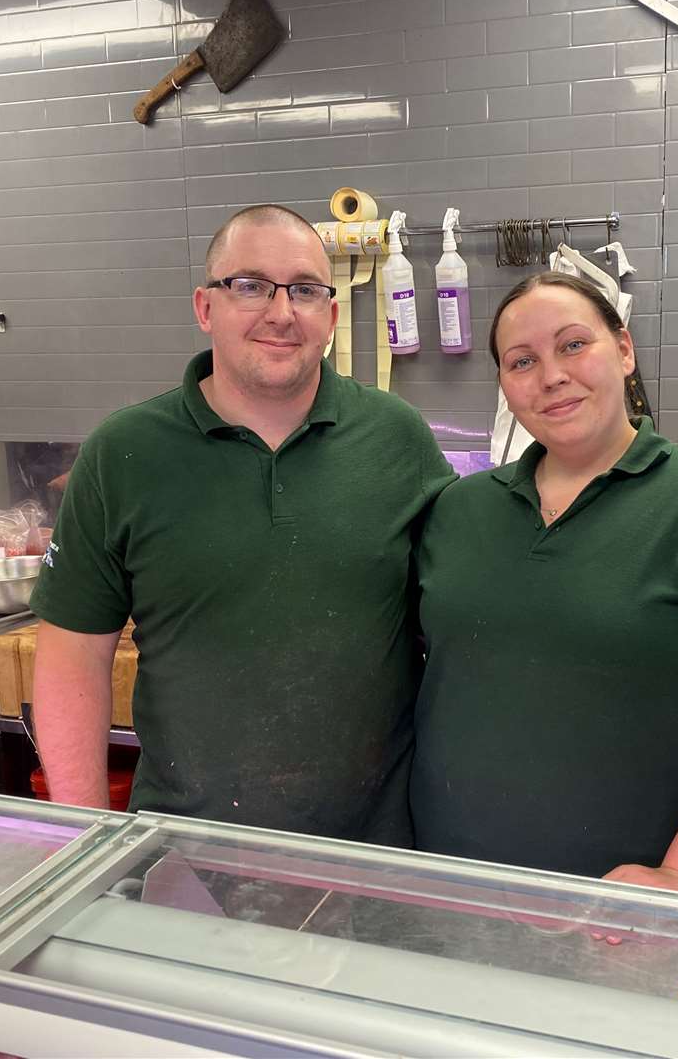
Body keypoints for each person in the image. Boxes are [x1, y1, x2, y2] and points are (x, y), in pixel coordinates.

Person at [29, 204, 455, 846]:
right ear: (205, 308)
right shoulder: (124, 452)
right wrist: (82, 839)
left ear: (332, 316)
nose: (281, 313)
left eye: (306, 290)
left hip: (377, 851)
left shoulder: (398, 440)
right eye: (250, 285)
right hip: (183, 853)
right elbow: (71, 656)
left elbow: (458, 619)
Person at [411, 272, 678, 895]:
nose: (551, 376)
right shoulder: (457, 512)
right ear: (504, 385)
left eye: (573, 345)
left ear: (623, 350)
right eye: (523, 361)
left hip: (622, 902)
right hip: (449, 880)